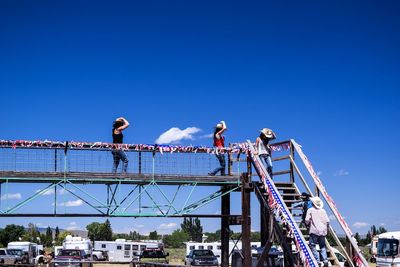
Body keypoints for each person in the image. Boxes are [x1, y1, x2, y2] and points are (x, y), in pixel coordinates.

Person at [305, 196, 330, 267]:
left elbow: (307, 220)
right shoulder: (323, 211)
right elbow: (328, 221)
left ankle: (317, 260)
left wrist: (308, 224)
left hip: (314, 230)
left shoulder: (310, 210)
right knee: (322, 246)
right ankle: (325, 260)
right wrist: (327, 230)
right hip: (323, 231)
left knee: (312, 245)